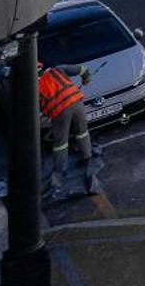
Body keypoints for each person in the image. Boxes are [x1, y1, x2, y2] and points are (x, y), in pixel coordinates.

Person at [38, 60, 100, 197]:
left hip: (60, 112)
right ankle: (88, 160)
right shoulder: (57, 70)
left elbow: (37, 110)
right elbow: (83, 69)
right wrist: (86, 79)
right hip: (77, 105)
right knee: (82, 134)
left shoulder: (33, 88)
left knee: (60, 144)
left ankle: (58, 175)